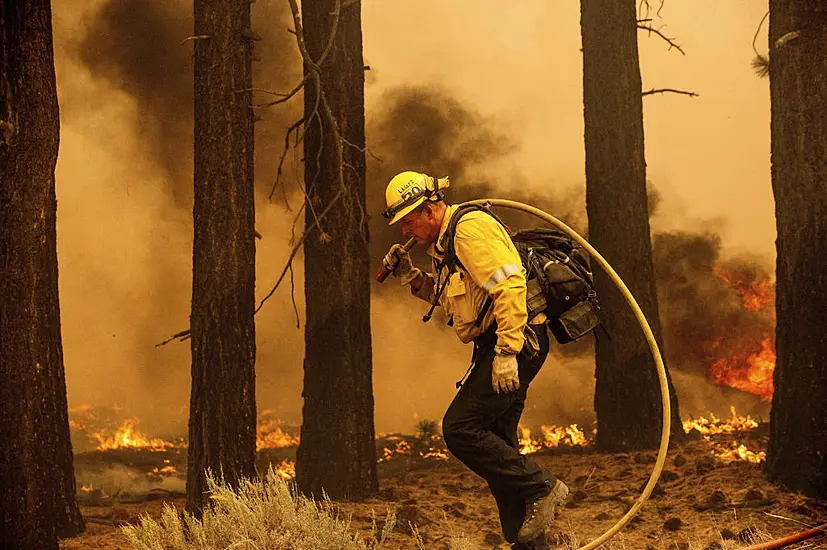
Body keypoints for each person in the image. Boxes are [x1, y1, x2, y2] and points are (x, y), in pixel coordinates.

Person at [380, 171, 569, 549]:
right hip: (498, 344)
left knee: (461, 428)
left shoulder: (469, 230)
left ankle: (542, 486)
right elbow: (453, 302)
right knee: (500, 452)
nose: (404, 231)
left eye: (408, 220)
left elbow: (510, 283)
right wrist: (409, 276)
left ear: (430, 210)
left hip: (515, 341)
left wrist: (507, 352)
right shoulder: (445, 246)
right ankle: (529, 543)